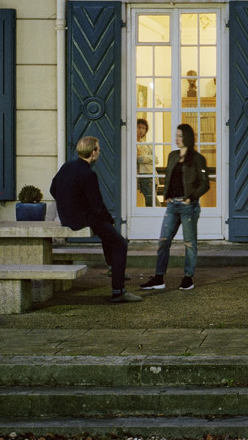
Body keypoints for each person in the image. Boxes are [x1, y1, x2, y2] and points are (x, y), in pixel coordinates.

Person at [50, 135, 141, 303]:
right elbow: (97, 204)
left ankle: (114, 267)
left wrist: (68, 205)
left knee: (108, 232)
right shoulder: (88, 173)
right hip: (82, 218)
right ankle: (119, 291)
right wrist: (108, 218)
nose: (99, 153)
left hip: (67, 216)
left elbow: (52, 189)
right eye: (98, 150)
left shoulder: (66, 167)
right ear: (93, 152)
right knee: (120, 243)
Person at [140, 121, 210, 293]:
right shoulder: (172, 156)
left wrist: (191, 198)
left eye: (180, 136)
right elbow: (170, 177)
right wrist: (167, 197)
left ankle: (188, 278)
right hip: (172, 206)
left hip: (188, 207)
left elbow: (205, 184)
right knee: (163, 241)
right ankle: (158, 278)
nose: (176, 139)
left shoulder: (197, 159)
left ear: (187, 137)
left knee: (189, 243)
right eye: (176, 136)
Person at [135, 116, 156, 208]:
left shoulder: (147, 145)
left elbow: (156, 159)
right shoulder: (132, 143)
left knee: (151, 201)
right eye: (139, 127)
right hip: (141, 175)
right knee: (151, 201)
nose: (141, 130)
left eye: (144, 128)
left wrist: (142, 158)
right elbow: (133, 159)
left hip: (151, 175)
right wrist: (148, 158)